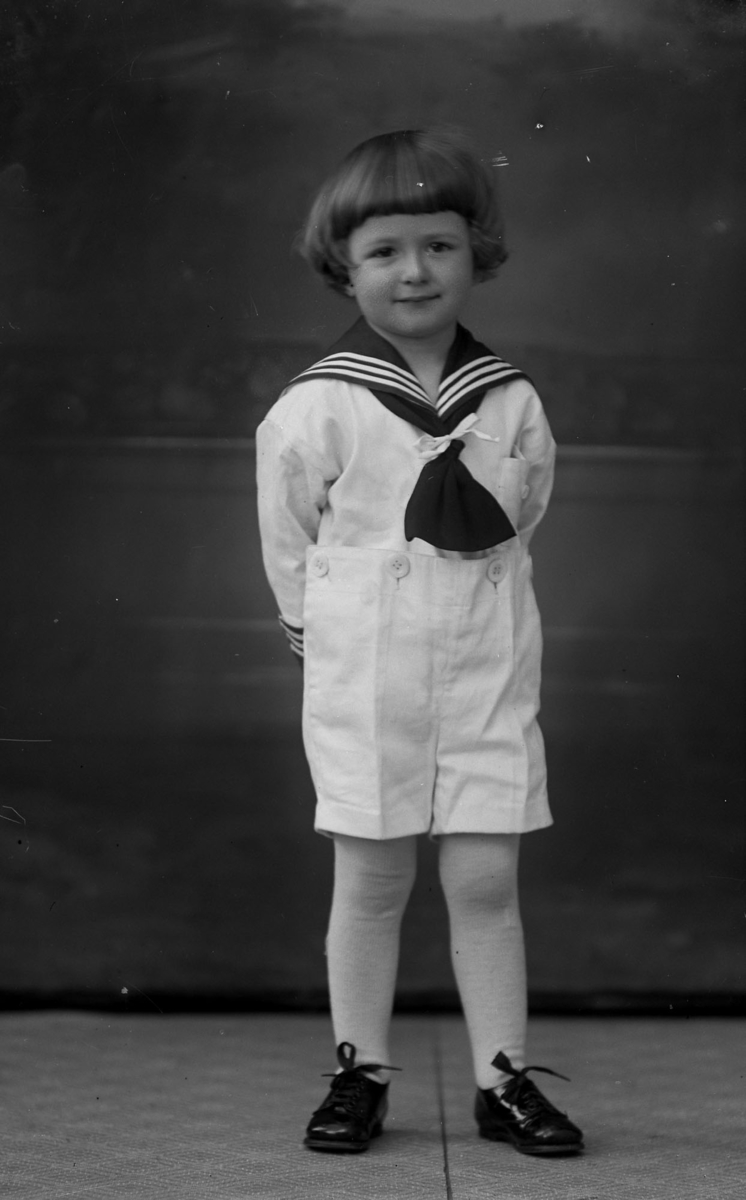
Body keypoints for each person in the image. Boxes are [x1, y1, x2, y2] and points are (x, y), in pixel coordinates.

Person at [255, 127, 583, 1157]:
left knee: (483, 880)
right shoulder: (320, 404)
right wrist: (329, 643)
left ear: (473, 252)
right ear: (343, 265)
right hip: (368, 674)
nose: (414, 271)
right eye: (385, 251)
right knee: (373, 880)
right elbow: (289, 543)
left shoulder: (509, 399)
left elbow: (523, 515)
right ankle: (361, 1071)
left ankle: (501, 1078)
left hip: (484, 664)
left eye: (438, 246)